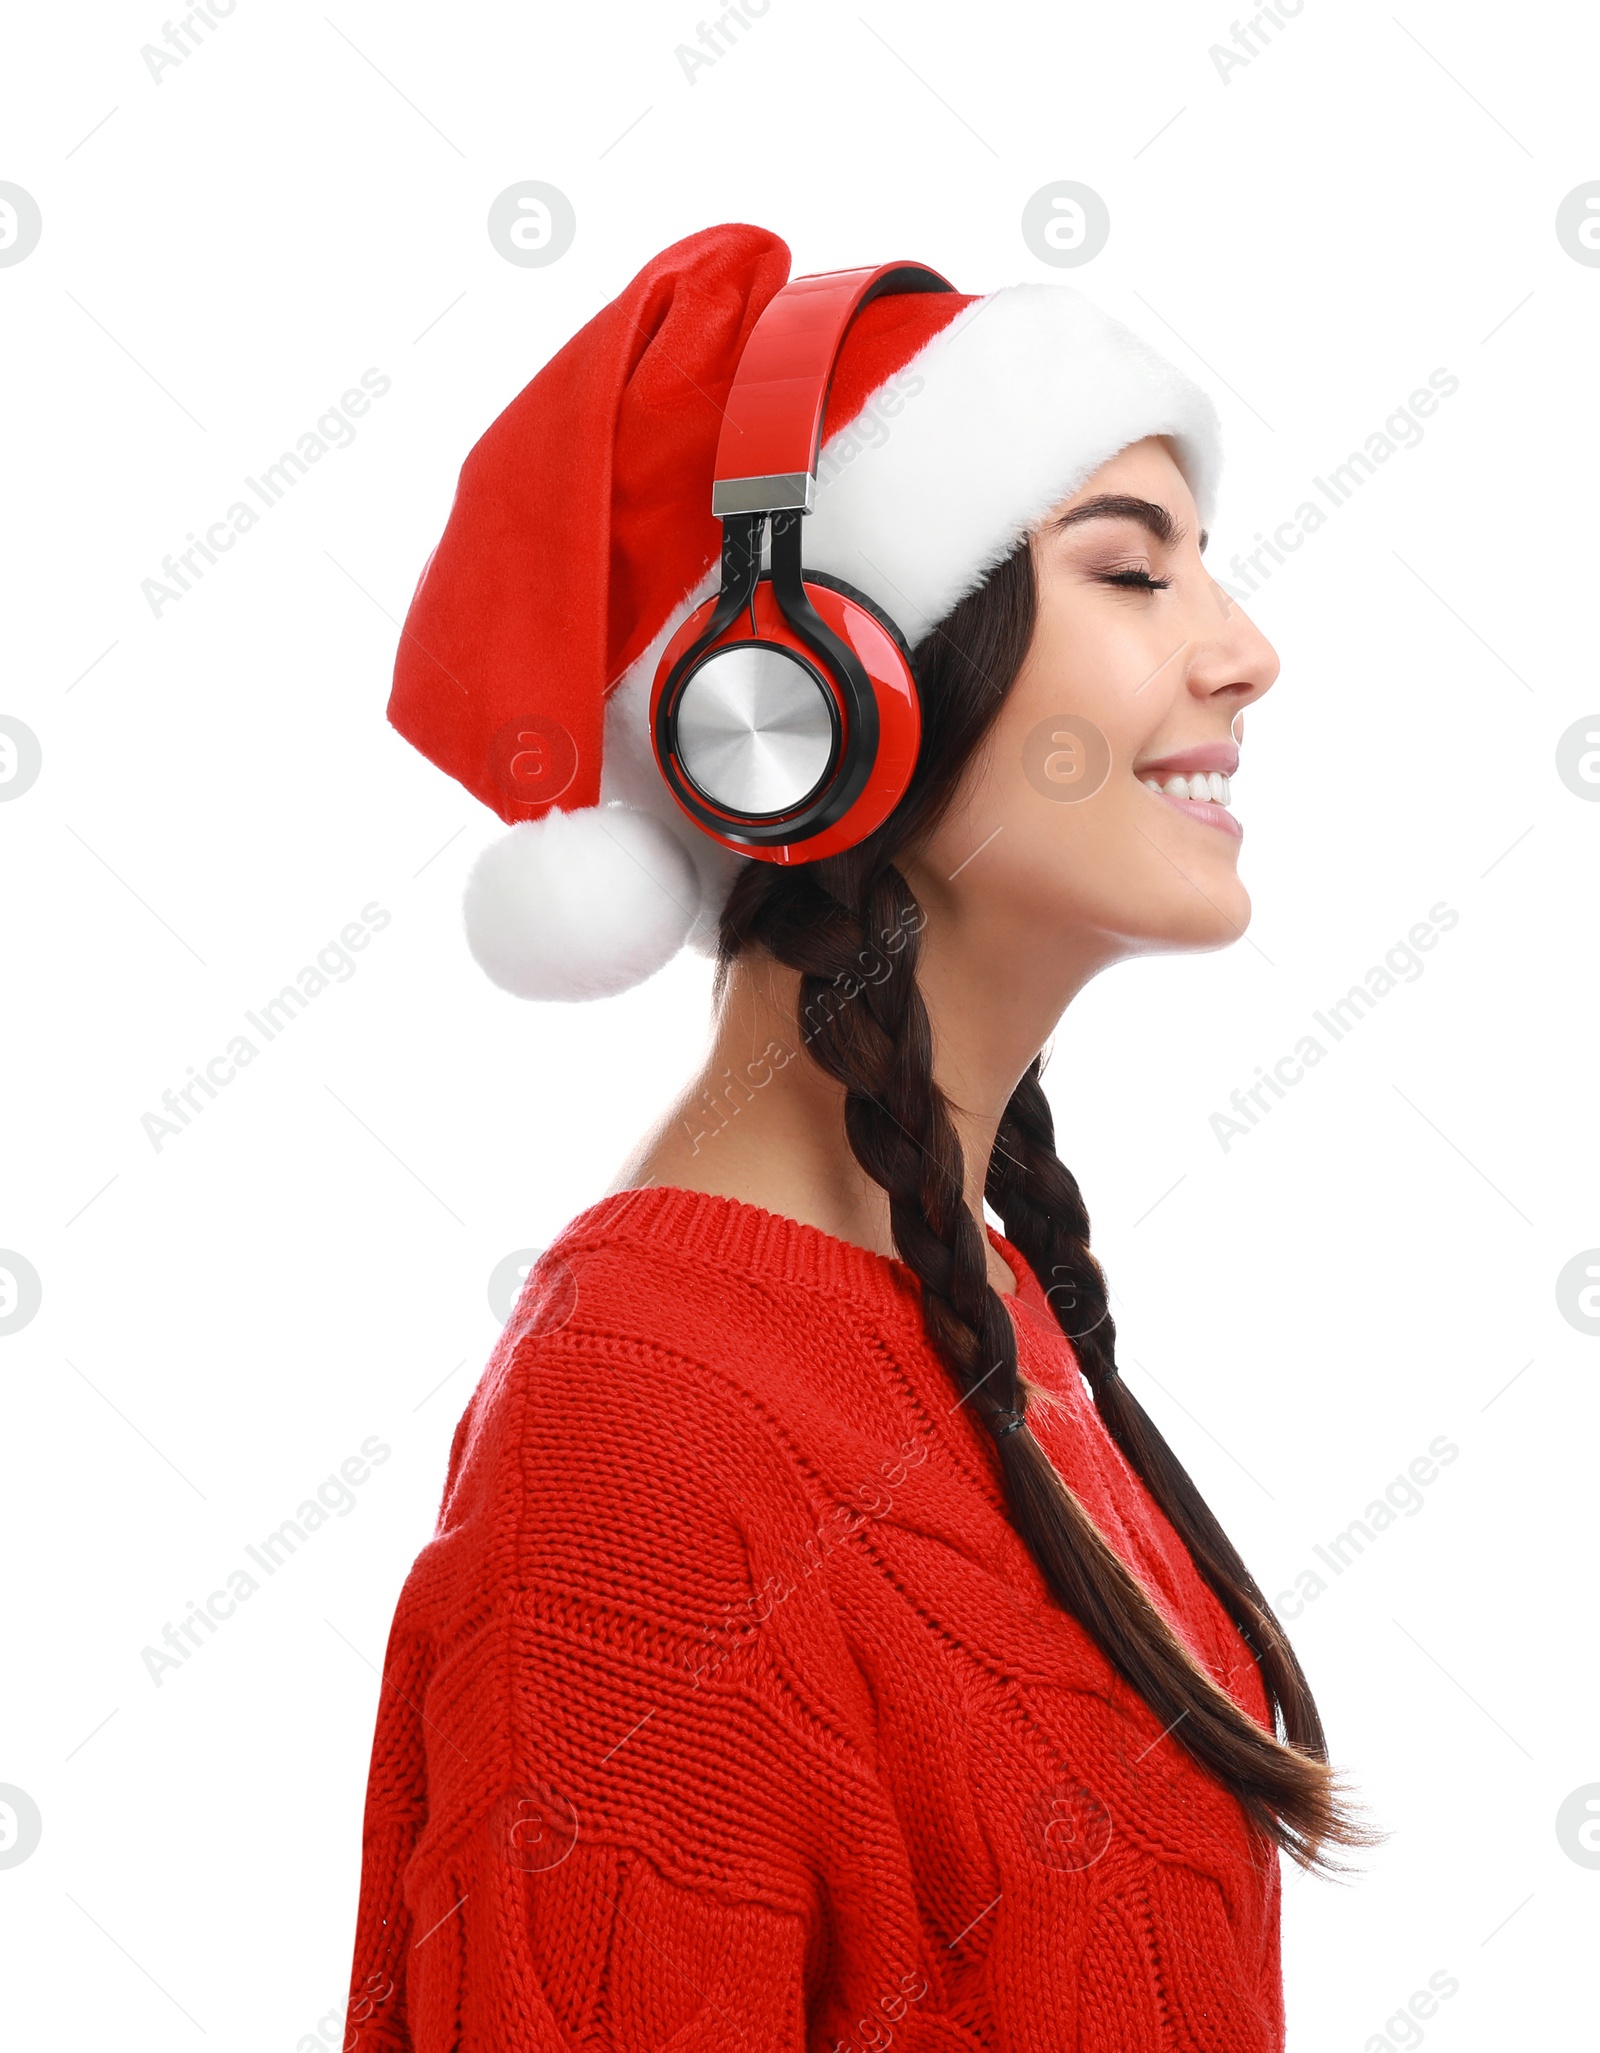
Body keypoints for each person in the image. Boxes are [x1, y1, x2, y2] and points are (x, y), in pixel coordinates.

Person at [346, 223, 1367, 2052]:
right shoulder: (643, 1436)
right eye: (1132, 574)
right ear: (817, 712)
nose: (1246, 651)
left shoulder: (969, 1296)